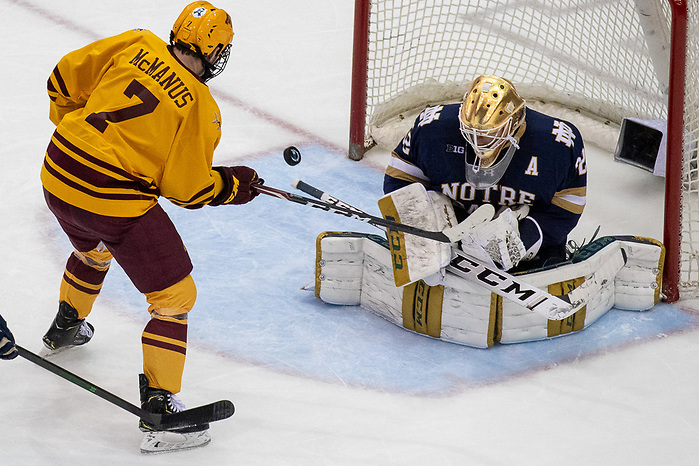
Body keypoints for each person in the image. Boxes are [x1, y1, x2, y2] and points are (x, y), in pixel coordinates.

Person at [40, 1, 258, 452]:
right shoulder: (201, 105)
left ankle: (66, 325)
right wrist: (232, 185)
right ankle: (160, 410)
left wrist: (75, 136)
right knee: (175, 297)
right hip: (110, 197)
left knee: (94, 249)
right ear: (216, 52)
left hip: (57, 170)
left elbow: (62, 78)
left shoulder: (136, 41)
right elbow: (188, 189)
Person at [383, 75, 587, 272]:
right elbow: (400, 179)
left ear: (514, 123)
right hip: (448, 230)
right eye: (469, 130)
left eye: (489, 133)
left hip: (522, 235)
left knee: (546, 257)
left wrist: (527, 236)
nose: (477, 140)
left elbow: (569, 204)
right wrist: (425, 226)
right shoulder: (433, 128)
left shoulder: (556, 144)